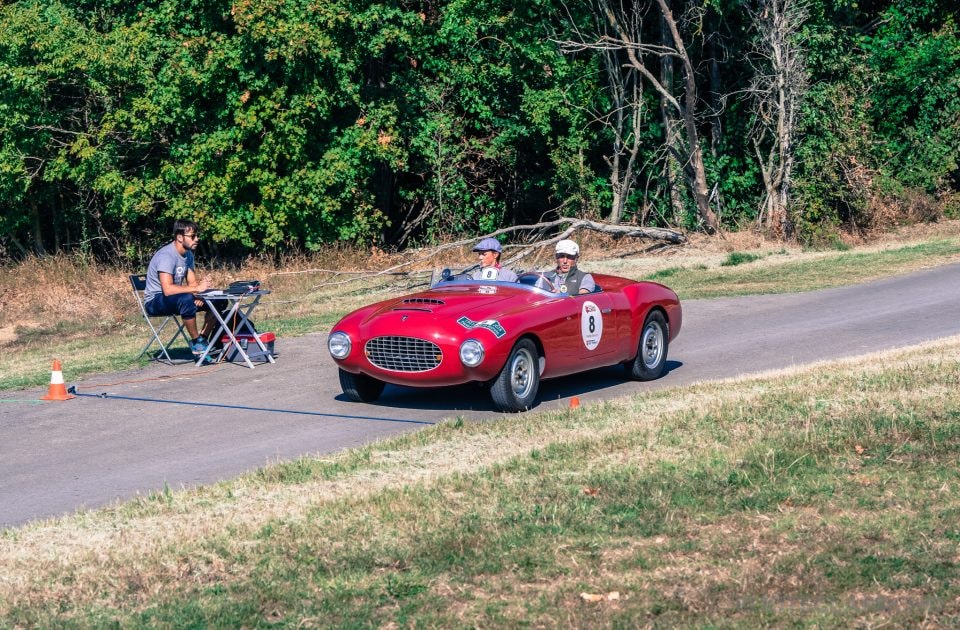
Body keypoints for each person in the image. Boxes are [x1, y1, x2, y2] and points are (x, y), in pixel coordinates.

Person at [143, 219, 215, 359]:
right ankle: (196, 342)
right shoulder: (166, 256)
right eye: (193, 236)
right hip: (155, 300)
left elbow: (192, 283)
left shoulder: (188, 254)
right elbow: (167, 289)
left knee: (218, 300)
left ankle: (202, 339)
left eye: (196, 235)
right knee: (186, 299)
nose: (197, 239)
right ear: (180, 237)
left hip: (176, 297)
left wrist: (199, 293)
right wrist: (194, 291)